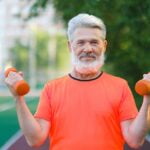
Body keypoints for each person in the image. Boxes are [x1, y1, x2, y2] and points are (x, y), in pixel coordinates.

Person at [5, 13, 150, 150]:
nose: (88, 49)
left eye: (94, 42)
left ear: (104, 45)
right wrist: (19, 98)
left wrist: (148, 98)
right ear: (70, 46)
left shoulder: (120, 86)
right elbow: (35, 139)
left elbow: (135, 140)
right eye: (80, 43)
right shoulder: (51, 88)